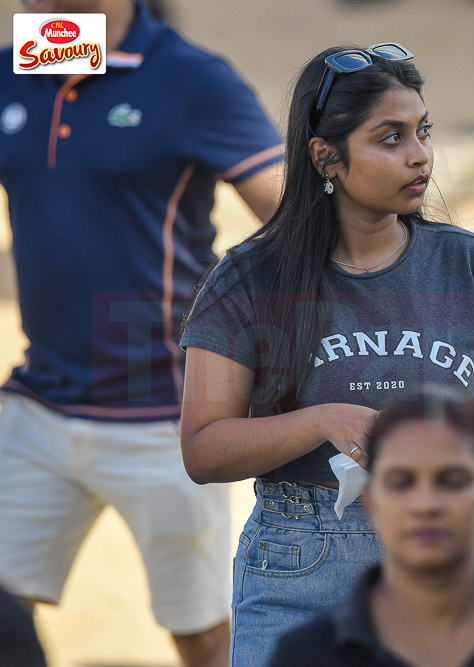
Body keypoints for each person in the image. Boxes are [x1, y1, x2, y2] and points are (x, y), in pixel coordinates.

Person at [178, 44, 474, 666]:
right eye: (391, 138)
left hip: (452, 551)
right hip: (301, 562)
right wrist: (323, 421)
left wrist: (472, 440)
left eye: (423, 131)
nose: (420, 154)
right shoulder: (248, 278)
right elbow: (202, 449)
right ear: (326, 156)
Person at [0, 1, 283, 665]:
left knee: (204, 638)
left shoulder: (192, 80)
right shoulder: (18, 68)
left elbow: (301, 222)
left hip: (166, 417)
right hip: (39, 405)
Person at [266, 387, 474, 667]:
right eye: (401, 482)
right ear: (371, 503)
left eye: (452, 481)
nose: (426, 505)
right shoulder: (308, 655)